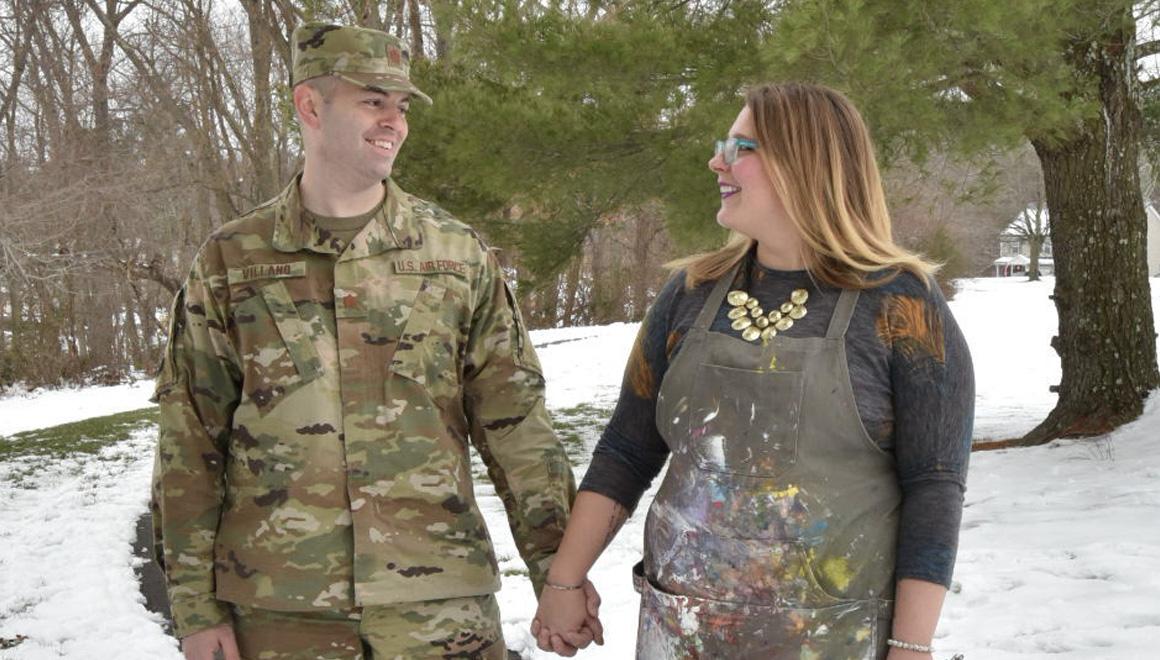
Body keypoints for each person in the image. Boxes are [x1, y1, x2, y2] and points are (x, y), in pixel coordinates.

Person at [151, 23, 600, 660]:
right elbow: (190, 436)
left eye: (403, 105)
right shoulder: (233, 259)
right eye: (372, 100)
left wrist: (558, 573)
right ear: (311, 106)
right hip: (280, 609)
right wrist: (196, 609)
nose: (394, 120)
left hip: (440, 610)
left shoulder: (455, 253)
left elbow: (516, 424)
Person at [532, 82, 975, 659]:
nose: (717, 160)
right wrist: (564, 581)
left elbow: (934, 485)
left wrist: (911, 645)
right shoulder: (690, 293)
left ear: (806, 163)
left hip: (830, 637)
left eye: (743, 146)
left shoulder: (902, 306)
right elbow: (626, 449)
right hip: (683, 631)